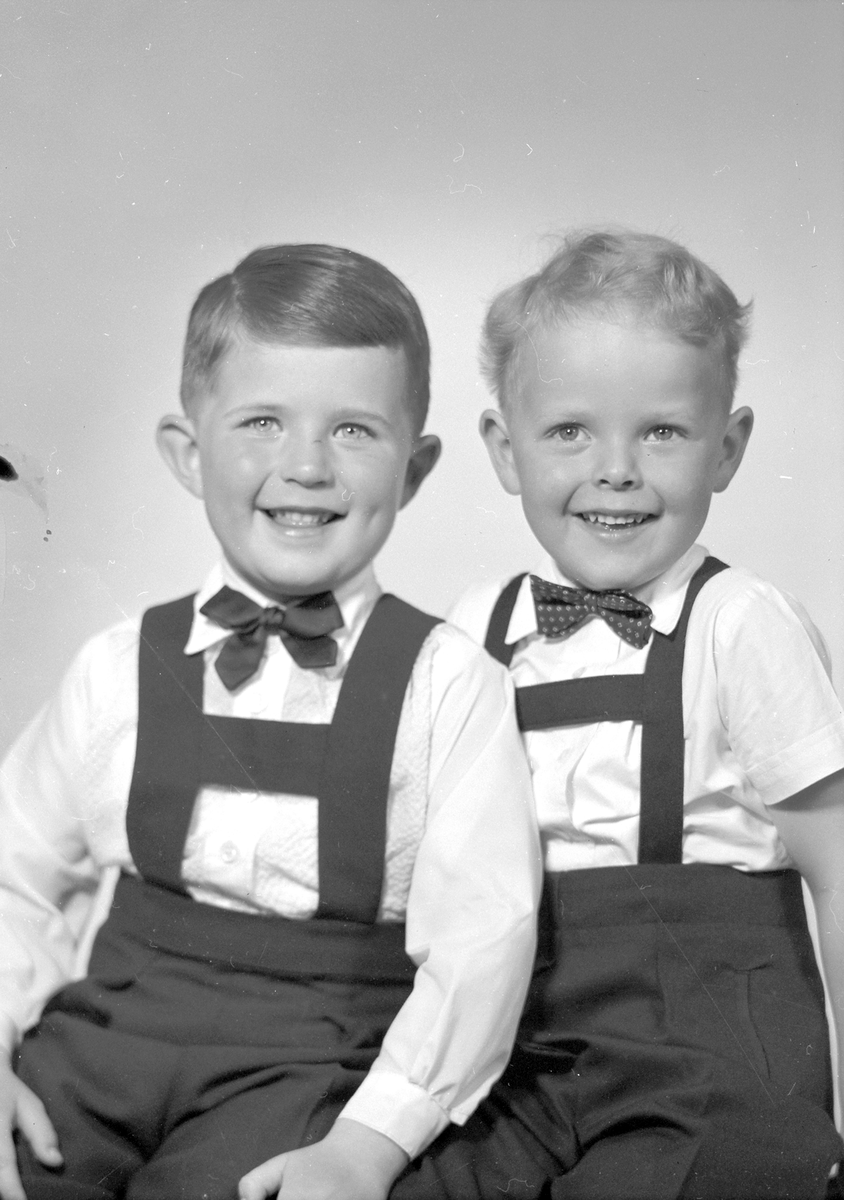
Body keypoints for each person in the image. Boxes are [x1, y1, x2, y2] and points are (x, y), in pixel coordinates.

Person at [0, 244, 541, 1200]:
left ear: (415, 469)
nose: (306, 466)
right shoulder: (118, 666)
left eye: (354, 430)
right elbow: (15, 875)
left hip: (310, 1064)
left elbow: (480, 946)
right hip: (104, 1043)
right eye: (261, 422)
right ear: (187, 452)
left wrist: (369, 1143)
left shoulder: (451, 682)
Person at [392, 229, 844, 1200]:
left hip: (710, 1056)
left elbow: (839, 871)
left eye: (662, 432)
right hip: (515, 1049)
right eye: (569, 431)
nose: (616, 470)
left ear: (727, 449)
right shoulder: (476, 627)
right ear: (504, 451)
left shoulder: (739, 624)